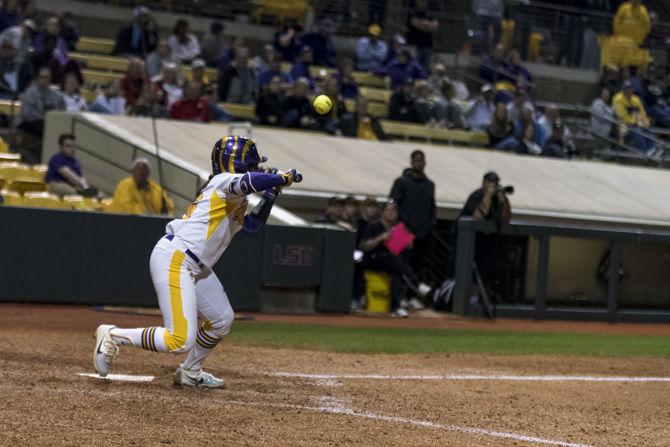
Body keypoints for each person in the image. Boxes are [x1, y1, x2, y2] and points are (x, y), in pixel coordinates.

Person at [92, 136, 303, 387]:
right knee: (179, 340)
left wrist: (271, 194)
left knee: (222, 320)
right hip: (177, 259)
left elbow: (253, 226)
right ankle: (114, 335)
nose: (255, 167)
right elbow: (248, 181)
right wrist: (281, 177)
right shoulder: (222, 182)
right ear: (235, 162)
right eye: (251, 163)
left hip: (197, 269)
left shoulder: (235, 197)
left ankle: (190, 371)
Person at [360, 201, 432, 317]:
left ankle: (395, 307)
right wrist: (380, 238)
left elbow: (408, 247)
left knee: (396, 272)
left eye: (393, 210)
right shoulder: (374, 226)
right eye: (388, 210)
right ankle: (417, 285)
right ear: (382, 213)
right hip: (373, 259)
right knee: (395, 261)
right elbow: (364, 246)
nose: (391, 213)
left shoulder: (398, 227)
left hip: (392, 262)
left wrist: (406, 241)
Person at [458, 171, 512, 301]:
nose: (494, 185)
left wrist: (503, 200)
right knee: (468, 273)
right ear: (483, 183)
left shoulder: (498, 198)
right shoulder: (476, 195)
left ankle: (476, 299)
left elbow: (506, 219)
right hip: (469, 242)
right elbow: (478, 216)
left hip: (487, 243)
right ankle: (465, 300)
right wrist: (488, 194)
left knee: (485, 271)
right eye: (491, 182)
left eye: (496, 183)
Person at [389, 150, 436, 284]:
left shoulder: (430, 185)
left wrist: (430, 224)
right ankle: (396, 297)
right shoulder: (401, 182)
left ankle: (412, 296)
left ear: (425, 162)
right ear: (411, 162)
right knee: (397, 263)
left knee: (418, 265)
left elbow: (432, 206)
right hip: (401, 230)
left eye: (421, 160)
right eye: (416, 160)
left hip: (422, 233)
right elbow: (393, 204)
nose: (419, 163)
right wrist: (403, 225)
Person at [612, 79, 660, 156]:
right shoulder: (618, 99)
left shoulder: (636, 99)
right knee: (638, 131)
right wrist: (636, 122)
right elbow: (622, 116)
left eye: (630, 88)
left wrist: (646, 123)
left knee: (649, 132)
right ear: (623, 89)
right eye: (626, 88)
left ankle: (652, 151)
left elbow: (643, 114)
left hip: (637, 124)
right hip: (623, 125)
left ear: (633, 89)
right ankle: (645, 153)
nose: (628, 90)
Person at [16, 67, 64, 138]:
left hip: (49, 122)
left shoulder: (56, 95)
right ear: (38, 78)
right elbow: (27, 113)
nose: (44, 79)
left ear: (50, 79)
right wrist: (44, 119)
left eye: (47, 77)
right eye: (42, 77)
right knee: (44, 126)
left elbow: (61, 111)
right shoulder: (30, 92)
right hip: (29, 122)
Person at [405, 0, 438, 70]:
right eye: (422, 1)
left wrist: (424, 24)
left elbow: (435, 26)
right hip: (415, 47)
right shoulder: (412, 12)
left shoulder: (430, 13)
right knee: (413, 69)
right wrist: (428, 25)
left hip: (427, 47)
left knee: (425, 71)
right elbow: (414, 23)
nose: (423, 3)